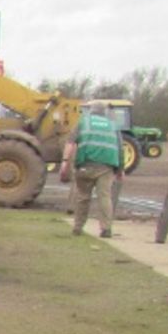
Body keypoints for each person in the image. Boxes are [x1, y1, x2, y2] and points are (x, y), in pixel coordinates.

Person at [60, 99, 124, 237]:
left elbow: (70, 142)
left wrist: (65, 162)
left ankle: (78, 228)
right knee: (104, 197)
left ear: (91, 111)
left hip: (85, 165)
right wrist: (121, 169)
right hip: (106, 167)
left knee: (83, 197)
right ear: (104, 113)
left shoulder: (83, 122)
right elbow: (120, 148)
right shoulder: (113, 126)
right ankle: (106, 229)